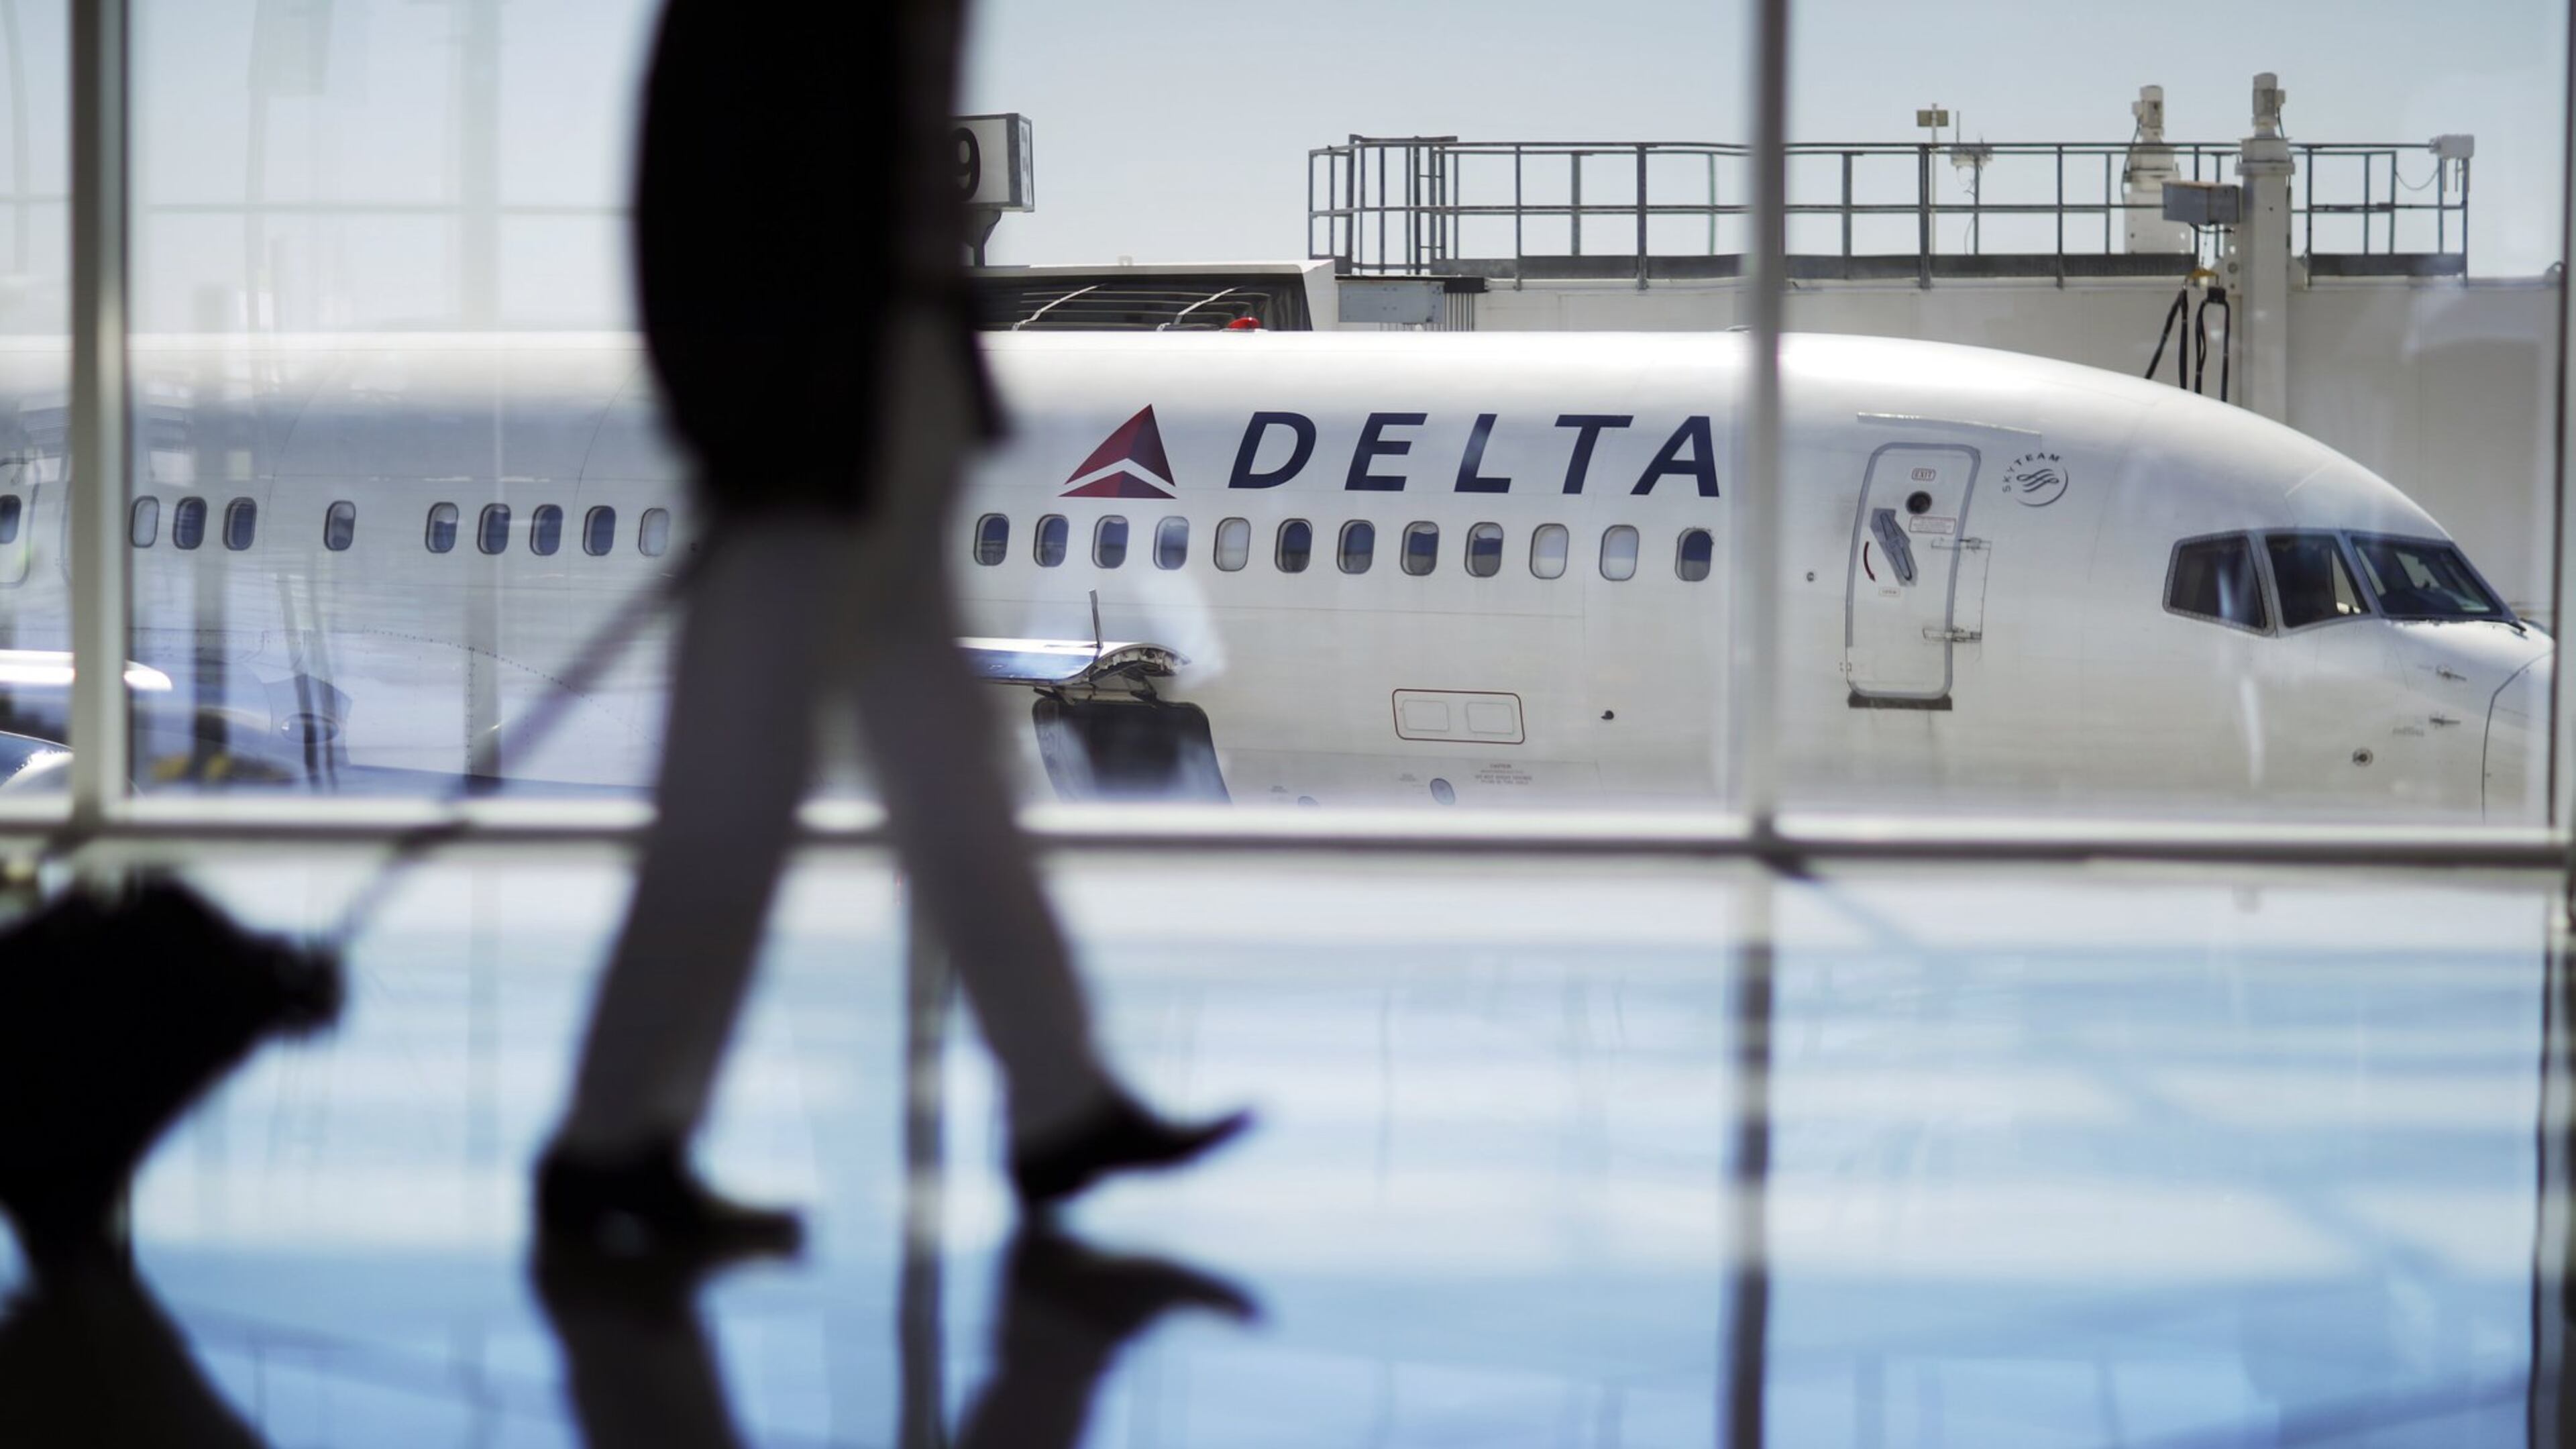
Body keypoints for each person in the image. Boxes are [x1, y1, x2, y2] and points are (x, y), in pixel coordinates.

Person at [534, 0, 1246, 1255]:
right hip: (813, 436)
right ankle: (607, 1145)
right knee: (743, 797)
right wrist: (739, 418)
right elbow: (689, 207)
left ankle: (1057, 1100)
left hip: (883, 418)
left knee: (947, 782)